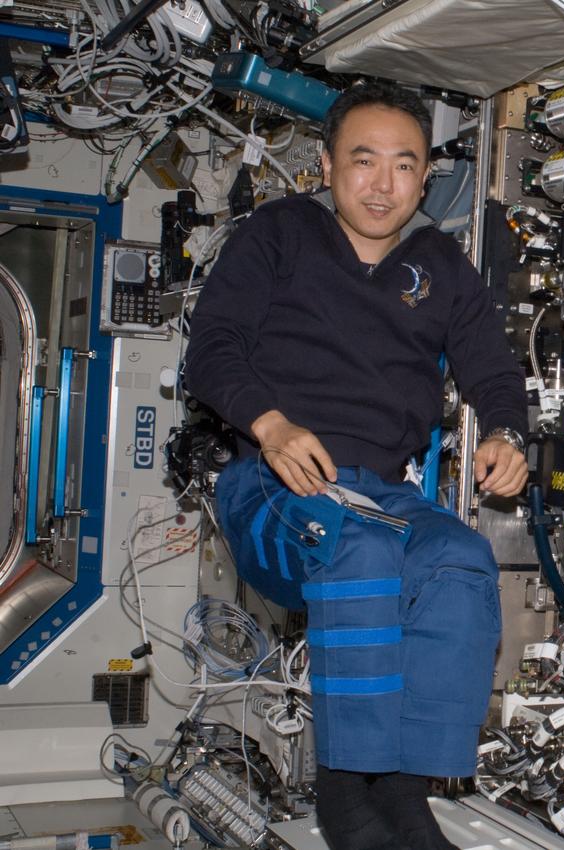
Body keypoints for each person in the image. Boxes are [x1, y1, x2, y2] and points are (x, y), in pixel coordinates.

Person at [183, 82, 529, 850]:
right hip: (272, 485)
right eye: (363, 161)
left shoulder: (440, 264)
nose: (382, 183)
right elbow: (210, 350)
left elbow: (493, 372)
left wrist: (506, 432)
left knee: (460, 561)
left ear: (425, 175)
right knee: (362, 551)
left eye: (404, 166)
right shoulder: (279, 234)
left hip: (377, 493)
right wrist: (270, 427)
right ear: (326, 164)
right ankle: (348, 797)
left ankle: (407, 795)